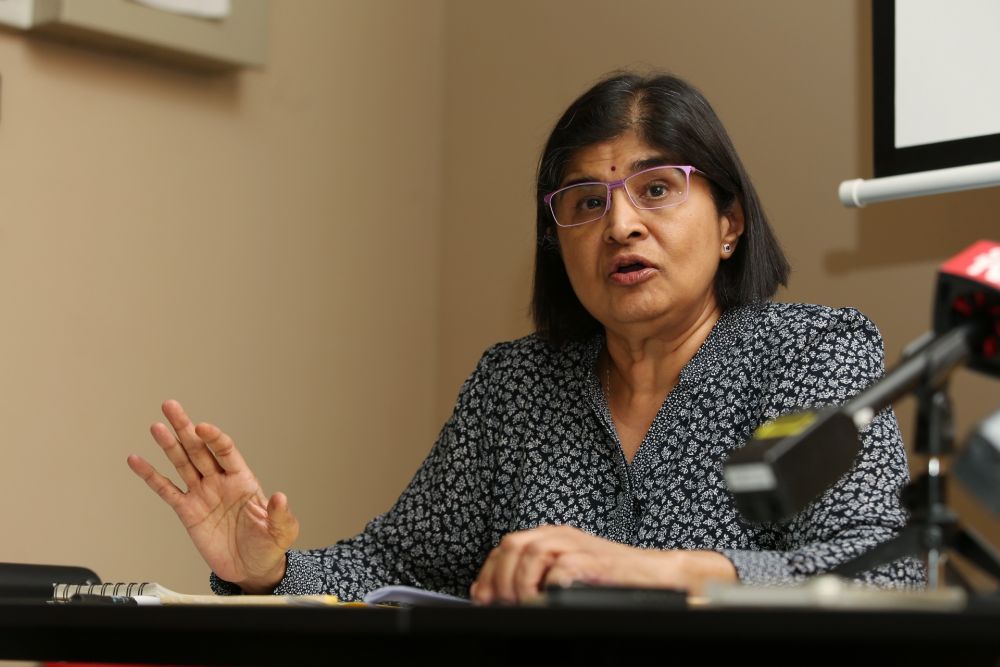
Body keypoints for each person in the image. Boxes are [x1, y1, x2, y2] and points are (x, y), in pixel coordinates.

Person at [127, 71, 925, 604]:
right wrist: (268, 572)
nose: (619, 224)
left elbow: (885, 570)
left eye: (655, 189)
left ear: (729, 223)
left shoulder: (811, 352)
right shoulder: (516, 387)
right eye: (584, 201)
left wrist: (664, 571)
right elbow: (398, 566)